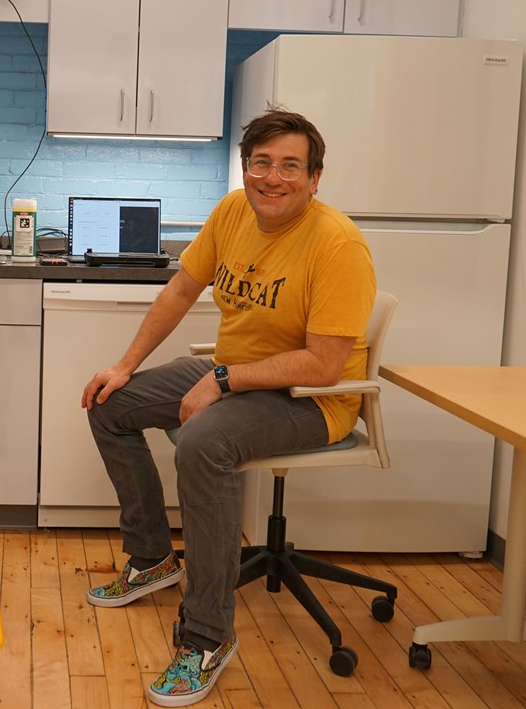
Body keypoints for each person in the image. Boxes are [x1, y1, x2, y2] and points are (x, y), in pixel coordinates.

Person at [81, 109, 376, 707]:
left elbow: (322, 365)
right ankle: (153, 558)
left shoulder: (338, 244)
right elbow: (181, 288)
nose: (273, 177)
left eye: (290, 166)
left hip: (312, 399)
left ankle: (207, 637)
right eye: (261, 163)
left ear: (315, 177)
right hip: (238, 375)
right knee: (109, 403)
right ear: (246, 169)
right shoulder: (233, 211)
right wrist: (125, 364)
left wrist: (221, 379)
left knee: (201, 444)